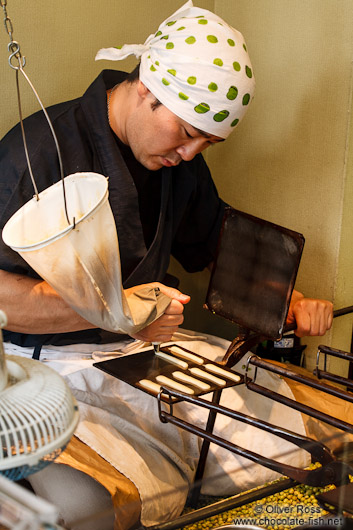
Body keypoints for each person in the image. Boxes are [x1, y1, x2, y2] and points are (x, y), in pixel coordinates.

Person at [0, 1, 333, 529]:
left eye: (207, 141)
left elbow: (212, 241)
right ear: (146, 90)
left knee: (293, 451)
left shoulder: (177, 161)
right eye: (185, 131)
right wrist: (118, 311)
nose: (190, 152)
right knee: (116, 504)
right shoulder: (38, 151)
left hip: (143, 348)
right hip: (47, 364)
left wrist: (289, 302)